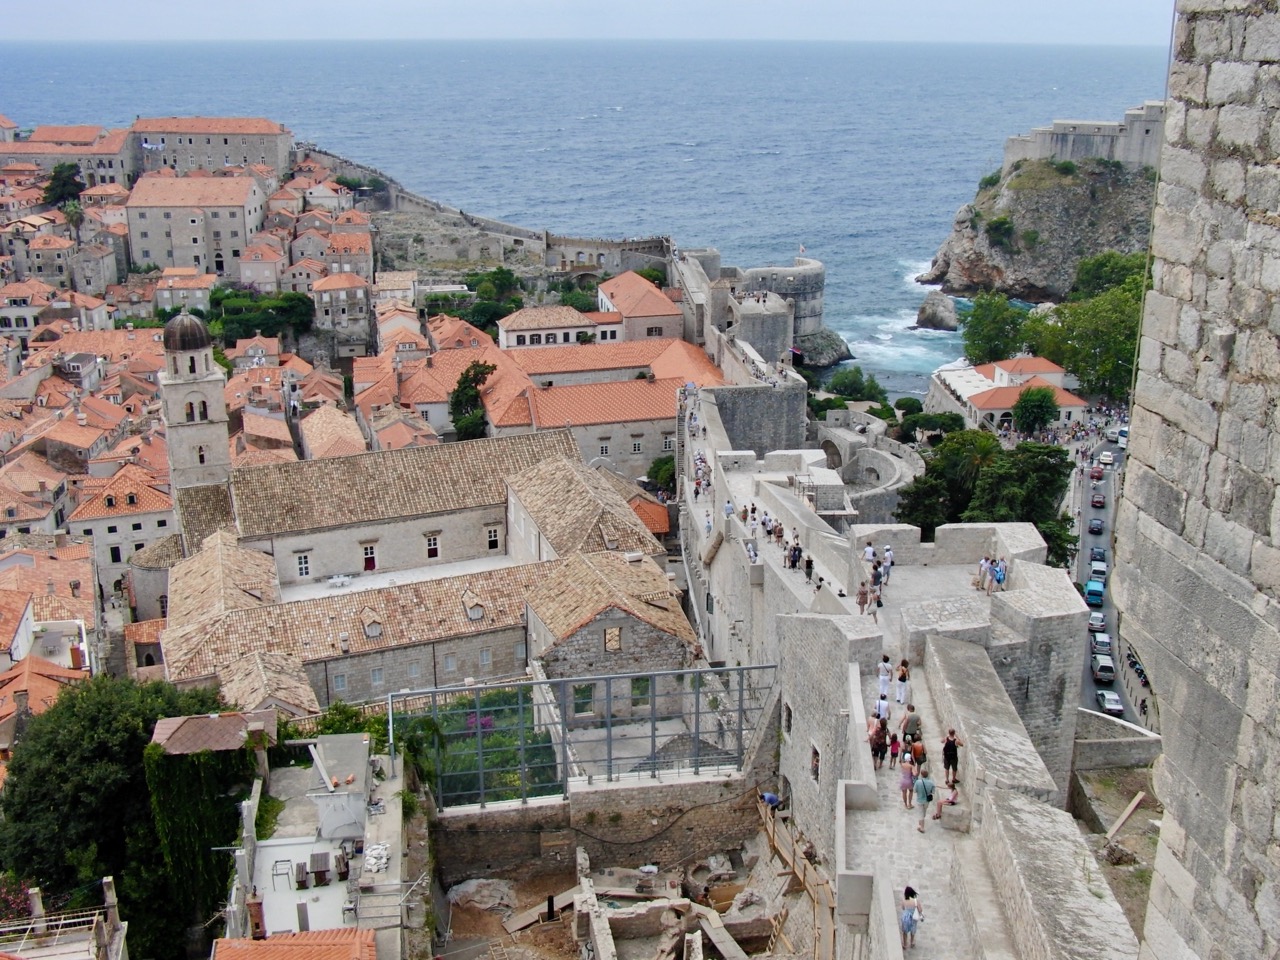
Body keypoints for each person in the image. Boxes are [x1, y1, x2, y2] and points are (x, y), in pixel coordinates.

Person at [913, 765, 935, 833]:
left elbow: (914, 791)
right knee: (923, 812)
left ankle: (922, 827)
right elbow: (933, 792)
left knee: (921, 813)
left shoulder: (918, 782)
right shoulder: (931, 783)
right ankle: (920, 823)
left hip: (920, 799)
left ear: (921, 775)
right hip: (926, 800)